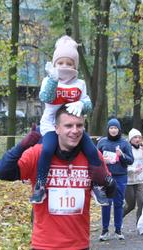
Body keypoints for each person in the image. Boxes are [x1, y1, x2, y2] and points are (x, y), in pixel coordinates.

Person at [0, 105, 116, 249]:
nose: (75, 131)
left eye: (79, 125)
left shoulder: (92, 156)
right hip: (44, 245)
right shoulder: (38, 154)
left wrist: (106, 181)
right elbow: (2, 172)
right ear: (56, 128)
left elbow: (110, 193)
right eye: (68, 126)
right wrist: (21, 146)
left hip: (79, 244)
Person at [31, 35, 106, 205]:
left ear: (75, 66)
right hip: (51, 125)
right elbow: (46, 97)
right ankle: (40, 185)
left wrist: (81, 104)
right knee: (48, 149)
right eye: (61, 63)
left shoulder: (79, 83)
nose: (65, 66)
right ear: (55, 64)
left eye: (69, 63)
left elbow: (88, 103)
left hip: (74, 128)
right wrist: (53, 80)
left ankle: (96, 185)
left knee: (92, 152)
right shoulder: (48, 80)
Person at [96, 118, 134, 241]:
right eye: (111, 128)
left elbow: (131, 160)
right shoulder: (102, 142)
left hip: (120, 176)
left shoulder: (124, 143)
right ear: (108, 129)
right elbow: (95, 160)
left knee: (118, 203)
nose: (113, 130)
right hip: (106, 177)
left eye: (115, 128)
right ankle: (105, 230)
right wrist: (103, 161)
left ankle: (118, 230)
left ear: (119, 130)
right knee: (106, 203)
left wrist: (121, 155)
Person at [123, 128, 143, 224]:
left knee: (142, 203)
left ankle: (139, 225)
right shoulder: (126, 149)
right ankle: (118, 219)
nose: (138, 139)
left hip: (140, 181)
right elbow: (123, 166)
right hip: (129, 181)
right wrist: (134, 170)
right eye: (135, 137)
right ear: (130, 139)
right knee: (131, 205)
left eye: (139, 137)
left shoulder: (142, 149)